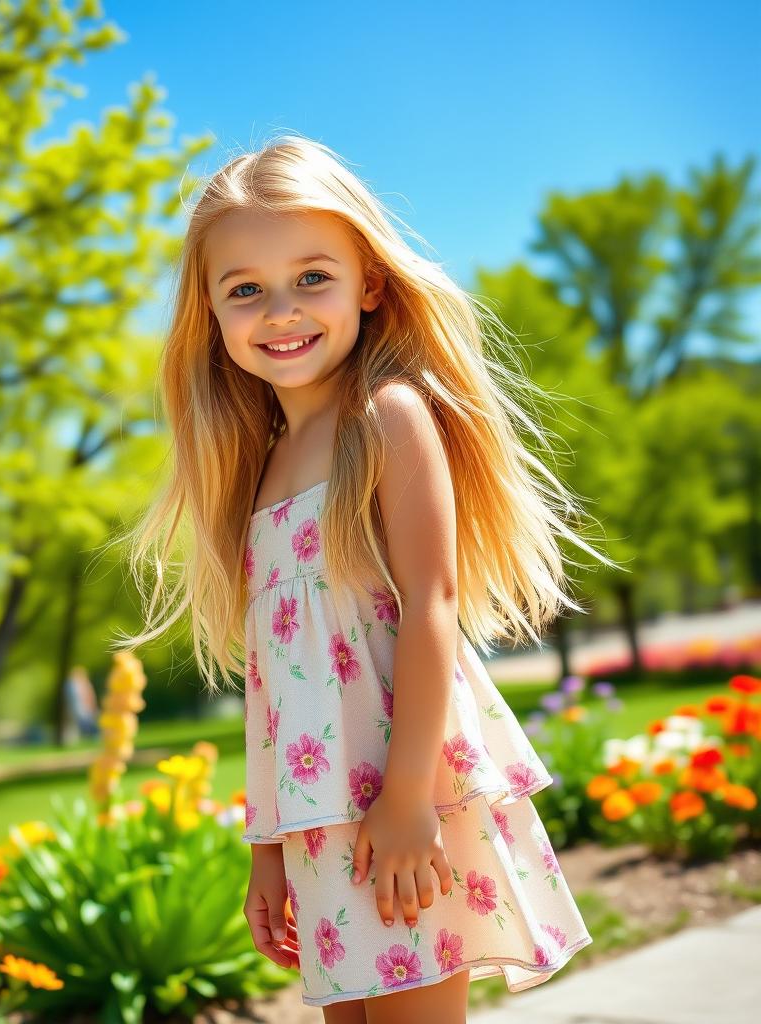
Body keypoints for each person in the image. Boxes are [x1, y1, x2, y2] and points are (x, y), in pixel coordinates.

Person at [112, 135, 619, 1024]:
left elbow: (433, 607)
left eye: (312, 277)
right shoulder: (260, 470)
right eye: (245, 290)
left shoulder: (387, 419)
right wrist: (267, 849)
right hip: (322, 822)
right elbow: (277, 683)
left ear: (370, 285)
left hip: (403, 794)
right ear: (211, 312)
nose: (280, 310)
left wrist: (408, 799)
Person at [64, 665, 101, 741]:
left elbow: (89, 696)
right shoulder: (73, 684)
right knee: (85, 723)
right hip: (80, 708)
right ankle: (90, 737)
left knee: (88, 723)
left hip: (83, 708)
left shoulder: (80, 684)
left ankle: (92, 737)